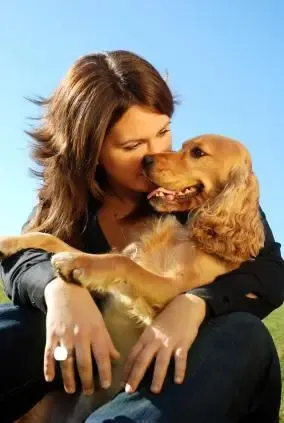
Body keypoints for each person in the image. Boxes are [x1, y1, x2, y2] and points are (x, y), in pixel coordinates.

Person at [0, 50, 283, 423]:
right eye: (132, 146)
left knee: (242, 334)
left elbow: (270, 272)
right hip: (97, 362)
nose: (156, 155)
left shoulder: (202, 193)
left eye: (163, 132)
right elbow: (21, 261)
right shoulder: (72, 203)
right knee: (21, 324)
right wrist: (60, 290)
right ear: (90, 150)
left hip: (188, 366)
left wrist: (198, 303)